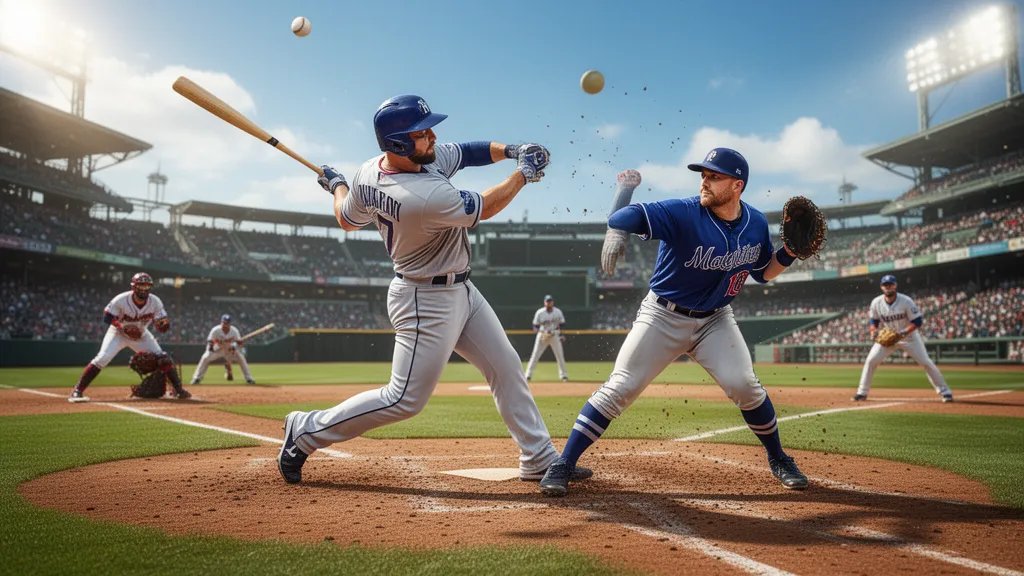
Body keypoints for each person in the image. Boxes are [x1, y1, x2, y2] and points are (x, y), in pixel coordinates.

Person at [277, 94, 591, 486]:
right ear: (398, 145)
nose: (432, 137)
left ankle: (539, 458)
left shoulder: (369, 172)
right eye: (422, 133)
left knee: (506, 367)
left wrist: (339, 184)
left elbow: (348, 217)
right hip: (424, 298)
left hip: (461, 289)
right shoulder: (421, 197)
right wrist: (523, 172)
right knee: (403, 399)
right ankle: (305, 430)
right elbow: (488, 206)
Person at [539, 153, 811, 497]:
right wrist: (616, 228)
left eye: (715, 177)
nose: (704, 181)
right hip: (662, 316)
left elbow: (763, 273)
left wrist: (788, 253)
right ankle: (564, 463)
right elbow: (627, 215)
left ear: (737, 185)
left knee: (745, 385)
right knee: (620, 387)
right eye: (703, 175)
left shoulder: (755, 223)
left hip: (716, 319)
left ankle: (779, 459)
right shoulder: (683, 211)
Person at [69, 273, 190, 402]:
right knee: (102, 358)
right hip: (117, 334)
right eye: (141, 285)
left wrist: (163, 325)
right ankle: (77, 390)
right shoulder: (121, 299)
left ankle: (177, 390)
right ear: (134, 287)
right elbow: (107, 317)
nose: (144, 289)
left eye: (146, 286)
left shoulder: (155, 301)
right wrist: (122, 327)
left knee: (163, 358)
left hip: (142, 335)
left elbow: (161, 321)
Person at [853, 275, 953, 402]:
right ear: (881, 287)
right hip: (889, 338)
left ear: (895, 286)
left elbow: (917, 321)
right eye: (885, 285)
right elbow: (874, 320)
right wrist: (873, 331)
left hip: (909, 338)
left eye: (891, 284)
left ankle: (945, 392)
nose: (888, 287)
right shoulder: (876, 302)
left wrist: (903, 332)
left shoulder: (906, 301)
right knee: (871, 361)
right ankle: (862, 392)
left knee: (925, 362)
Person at [190, 314, 255, 385]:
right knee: (205, 358)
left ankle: (248, 378)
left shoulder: (234, 331)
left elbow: (239, 344)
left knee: (241, 358)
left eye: (227, 323)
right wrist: (216, 343)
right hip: (217, 349)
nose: (225, 324)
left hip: (229, 350)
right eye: (224, 322)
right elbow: (209, 341)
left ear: (230, 323)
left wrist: (237, 345)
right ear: (221, 322)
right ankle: (197, 378)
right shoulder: (216, 330)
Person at [524, 295, 568, 382]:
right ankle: (528, 375)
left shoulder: (558, 312)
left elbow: (562, 324)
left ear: (553, 302)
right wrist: (537, 331)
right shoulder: (540, 312)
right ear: (544, 302)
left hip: (554, 335)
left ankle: (563, 375)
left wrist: (561, 335)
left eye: (550, 301)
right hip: (542, 335)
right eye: (547, 301)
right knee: (535, 355)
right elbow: (535, 325)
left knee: (560, 356)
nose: (549, 303)